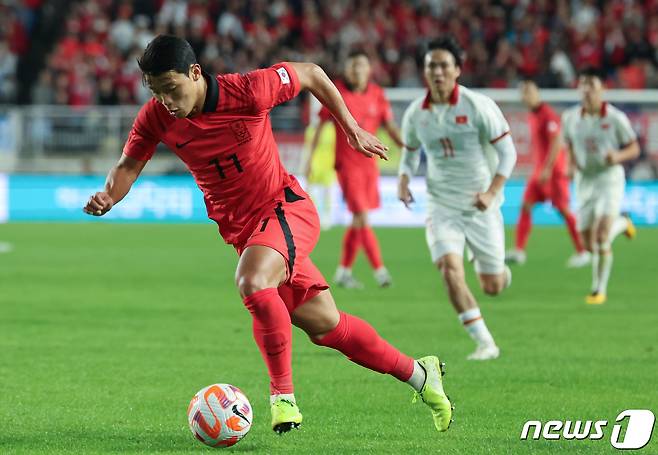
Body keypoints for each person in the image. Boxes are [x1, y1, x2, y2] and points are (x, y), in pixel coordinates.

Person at [83, 35, 452, 433]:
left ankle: (283, 397)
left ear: (195, 73)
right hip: (247, 233)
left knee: (253, 280)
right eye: (157, 93)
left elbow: (310, 73)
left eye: (172, 89)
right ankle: (420, 374)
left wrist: (351, 128)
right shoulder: (156, 116)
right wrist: (109, 195)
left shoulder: (248, 90)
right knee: (327, 327)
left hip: (285, 207)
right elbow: (128, 165)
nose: (168, 102)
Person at [398, 36, 516, 361]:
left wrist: (492, 192)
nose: (437, 72)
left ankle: (499, 271)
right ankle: (485, 343)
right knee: (450, 269)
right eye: (431, 66)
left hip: (480, 204)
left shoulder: (477, 106)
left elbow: (508, 153)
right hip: (441, 204)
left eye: (443, 65)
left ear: (457, 70)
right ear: (424, 71)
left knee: (492, 285)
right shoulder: (415, 114)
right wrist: (404, 179)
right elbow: (409, 154)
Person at [308, 50, 403, 289]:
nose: (356, 71)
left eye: (361, 65)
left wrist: (406, 146)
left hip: (370, 166)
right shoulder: (335, 91)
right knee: (361, 216)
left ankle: (343, 271)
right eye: (352, 66)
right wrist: (309, 158)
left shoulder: (377, 94)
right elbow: (319, 126)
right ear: (346, 70)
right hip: (347, 166)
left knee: (358, 221)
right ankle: (380, 271)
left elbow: (389, 125)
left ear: (369, 70)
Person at [561, 67, 639, 305]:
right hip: (585, 182)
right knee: (587, 243)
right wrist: (571, 164)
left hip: (609, 179)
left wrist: (617, 156)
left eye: (591, 85)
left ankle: (598, 290)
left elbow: (634, 148)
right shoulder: (570, 118)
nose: (586, 90)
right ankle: (624, 223)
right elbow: (569, 146)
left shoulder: (615, 118)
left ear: (603, 89)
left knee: (601, 236)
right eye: (583, 84)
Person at [506, 78, 590, 268]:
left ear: (537, 93)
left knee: (564, 211)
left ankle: (583, 251)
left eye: (529, 92)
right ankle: (519, 251)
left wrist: (547, 169)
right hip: (539, 173)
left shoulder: (547, 115)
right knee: (525, 206)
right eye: (523, 93)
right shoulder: (533, 115)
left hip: (553, 173)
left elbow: (556, 143)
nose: (526, 96)